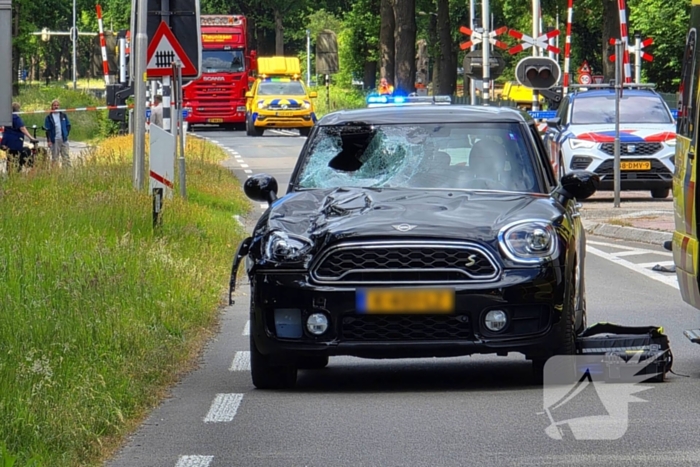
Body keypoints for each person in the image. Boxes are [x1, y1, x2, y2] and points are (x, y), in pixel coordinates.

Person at [0, 102, 38, 172]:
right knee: (16, 157)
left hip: (7, 141)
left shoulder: (7, 117)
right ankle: (16, 172)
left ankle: (9, 172)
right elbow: (22, 128)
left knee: (9, 158)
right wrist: (31, 137)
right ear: (18, 109)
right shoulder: (16, 118)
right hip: (15, 142)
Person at [43, 99, 71, 167]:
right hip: (54, 140)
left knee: (66, 156)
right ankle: (55, 171)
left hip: (64, 139)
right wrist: (49, 140)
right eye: (54, 105)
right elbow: (47, 130)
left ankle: (67, 170)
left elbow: (68, 125)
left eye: (57, 105)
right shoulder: (49, 117)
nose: (56, 107)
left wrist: (66, 134)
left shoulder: (63, 115)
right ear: (52, 106)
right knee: (55, 158)